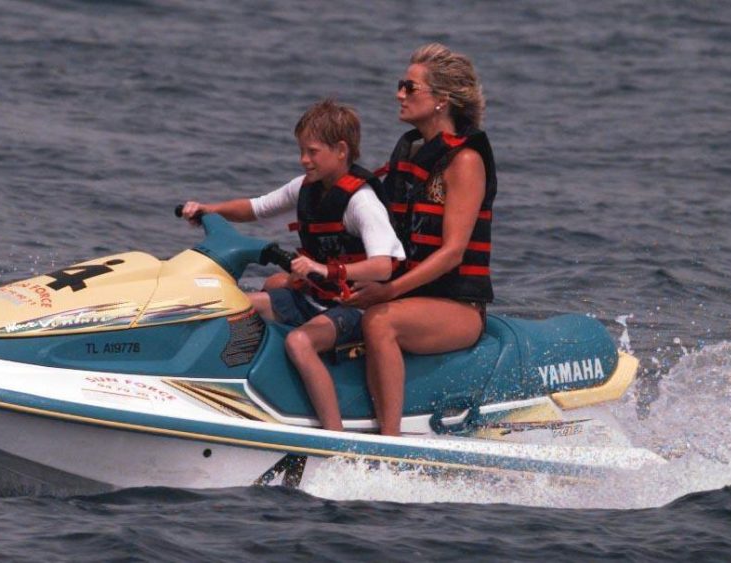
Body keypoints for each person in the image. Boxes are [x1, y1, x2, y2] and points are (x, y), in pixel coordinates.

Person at [181, 99, 405, 431]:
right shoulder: (305, 188)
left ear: (341, 150)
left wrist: (328, 270)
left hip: (355, 307)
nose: (304, 160)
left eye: (312, 152)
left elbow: (384, 266)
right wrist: (208, 209)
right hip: (316, 298)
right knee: (235, 305)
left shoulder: (362, 203)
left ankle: (333, 435)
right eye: (301, 150)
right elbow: (255, 208)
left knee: (299, 342)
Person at [345, 43, 497, 436]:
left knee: (380, 323)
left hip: (457, 307)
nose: (399, 94)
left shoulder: (465, 162)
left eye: (410, 88)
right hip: (411, 295)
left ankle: (389, 441)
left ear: (441, 100)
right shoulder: (414, 153)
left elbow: (452, 253)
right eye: (402, 85)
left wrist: (388, 290)